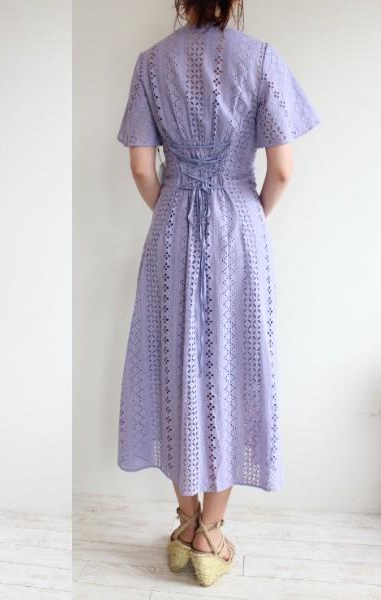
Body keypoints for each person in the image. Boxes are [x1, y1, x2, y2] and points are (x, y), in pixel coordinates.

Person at [116, 0, 319, 587]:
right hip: (239, 227)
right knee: (234, 369)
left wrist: (171, 208)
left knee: (175, 367)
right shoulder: (262, 59)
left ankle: (185, 523)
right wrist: (251, 216)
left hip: (172, 223)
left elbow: (141, 168)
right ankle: (211, 532)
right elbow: (282, 170)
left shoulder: (150, 63)